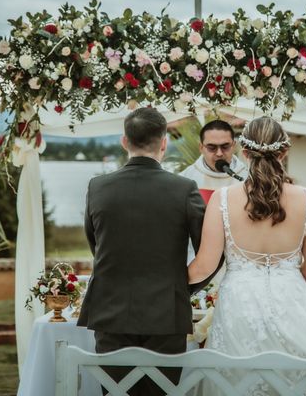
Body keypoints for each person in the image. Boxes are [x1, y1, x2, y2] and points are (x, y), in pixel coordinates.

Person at [188, 116, 306, 395]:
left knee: (235, 382)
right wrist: (283, 278)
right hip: (291, 301)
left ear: (243, 153)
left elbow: (204, 267)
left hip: (239, 304)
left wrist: (168, 282)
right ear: (283, 152)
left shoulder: (222, 200)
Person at [76, 107, 207, 395]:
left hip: (110, 311)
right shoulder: (185, 189)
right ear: (164, 142)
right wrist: (184, 289)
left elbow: (95, 245)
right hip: (166, 314)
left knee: (115, 392)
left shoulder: (97, 187)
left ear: (125, 141)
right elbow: (208, 252)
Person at [179, 119, 248, 205]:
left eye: (225, 146)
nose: (219, 153)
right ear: (201, 148)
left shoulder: (248, 176)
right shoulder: (185, 179)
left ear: (233, 146)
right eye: (212, 147)